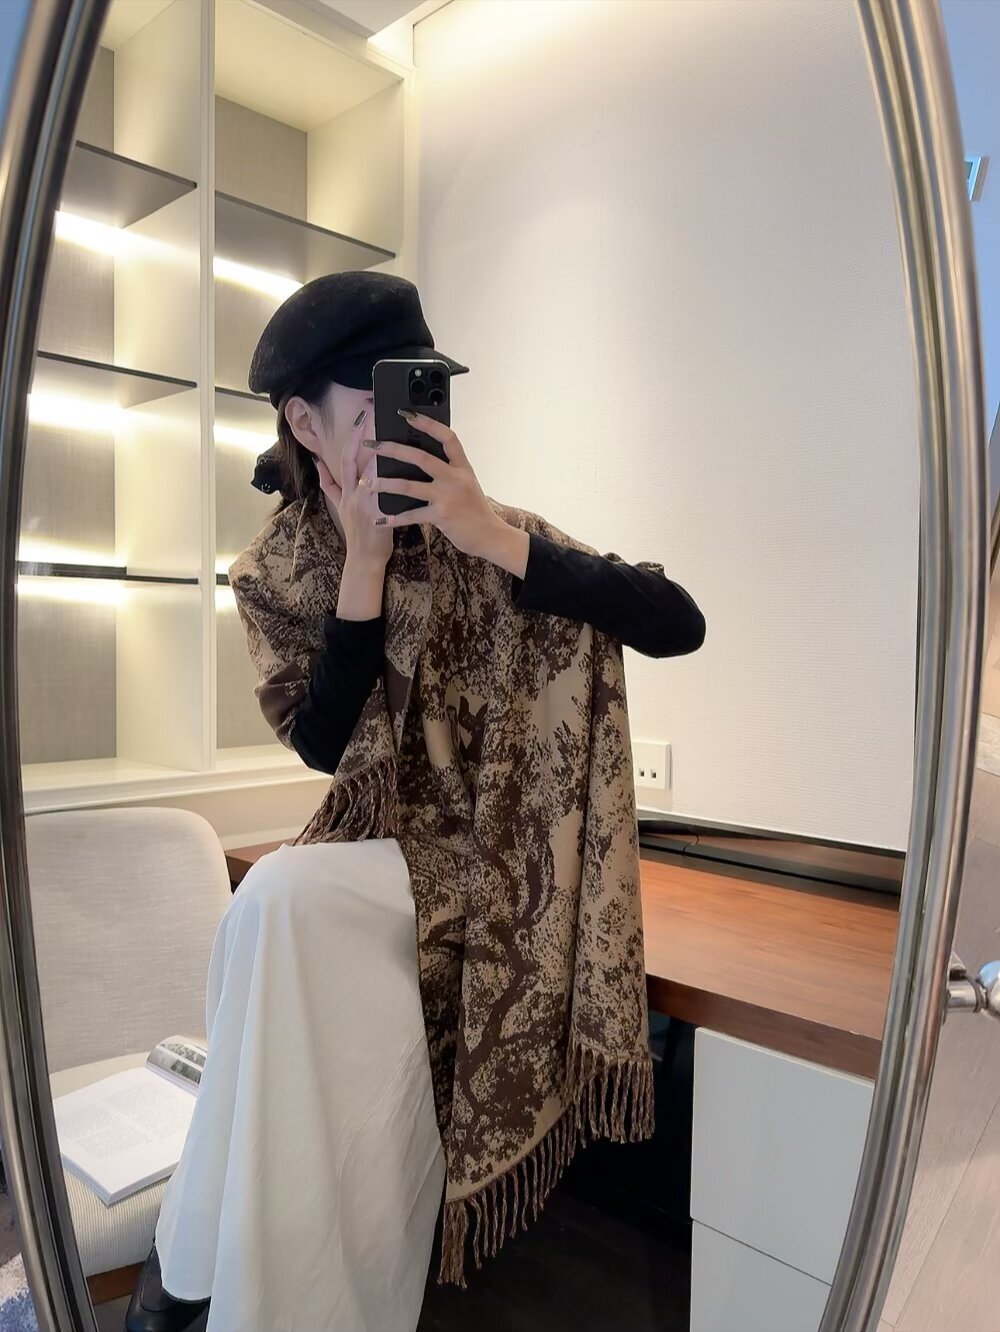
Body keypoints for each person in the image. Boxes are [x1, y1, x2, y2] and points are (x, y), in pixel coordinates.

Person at [125, 272, 705, 1332]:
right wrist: (365, 566)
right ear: (304, 422)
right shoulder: (275, 572)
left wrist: (497, 540)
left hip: (504, 861)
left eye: (428, 399)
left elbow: (676, 621)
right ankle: (229, 1282)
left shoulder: (488, 531)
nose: (414, 431)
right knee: (274, 909)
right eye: (381, 407)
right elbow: (320, 745)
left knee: (273, 912)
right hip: (382, 854)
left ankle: (182, 1275)